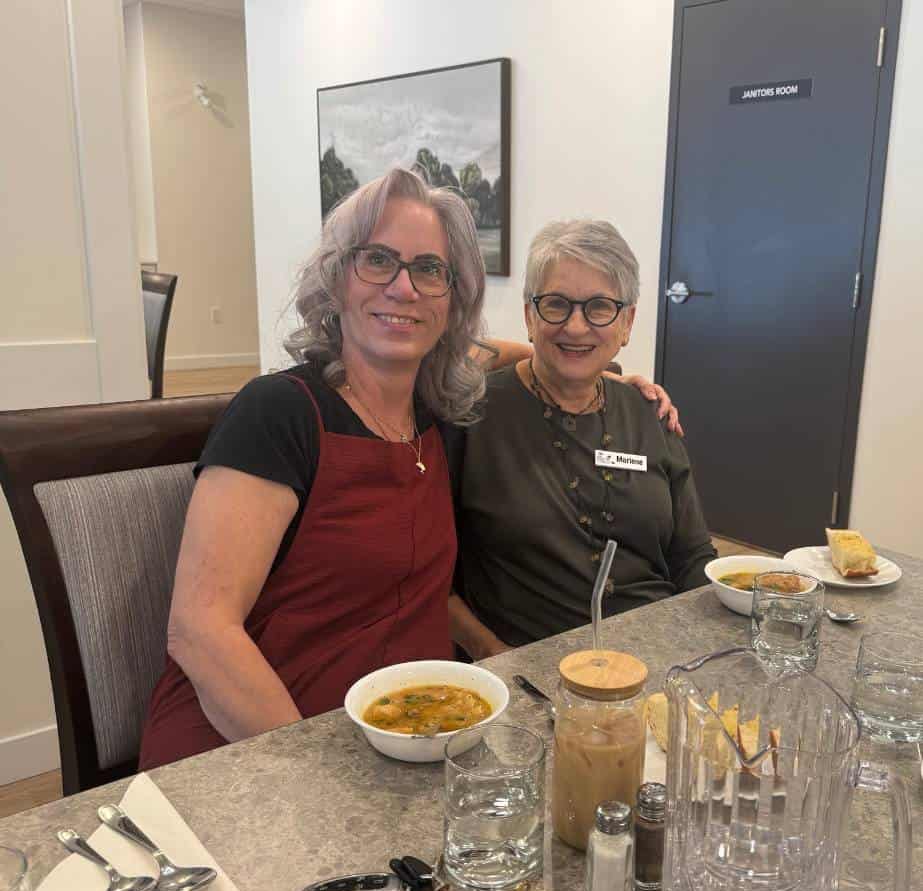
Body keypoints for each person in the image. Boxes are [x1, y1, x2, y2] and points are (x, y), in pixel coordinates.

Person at [139, 169, 677, 769]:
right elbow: (199, 631)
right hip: (262, 750)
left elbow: (497, 351)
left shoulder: (439, 410)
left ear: (453, 298)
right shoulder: (280, 412)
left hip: (416, 735)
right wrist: (309, 776)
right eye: (377, 260)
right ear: (337, 278)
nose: (404, 288)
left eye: (429, 270)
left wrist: (600, 373)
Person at [451, 219, 716, 656]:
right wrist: (498, 660)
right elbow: (430, 582)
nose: (576, 327)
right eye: (556, 305)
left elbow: (692, 556)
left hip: (658, 654)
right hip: (533, 670)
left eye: (599, 307)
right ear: (529, 317)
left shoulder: (649, 414)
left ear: (627, 322)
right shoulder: (471, 418)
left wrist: (716, 643)